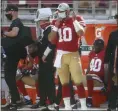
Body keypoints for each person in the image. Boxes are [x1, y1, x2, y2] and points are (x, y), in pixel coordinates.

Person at [49, 3, 87, 110]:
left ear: (67, 11)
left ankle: (84, 106)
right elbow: (51, 39)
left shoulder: (77, 19)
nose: (59, 14)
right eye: (58, 12)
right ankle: (67, 106)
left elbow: (80, 33)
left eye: (61, 12)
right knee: (64, 82)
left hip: (73, 54)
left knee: (78, 80)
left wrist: (74, 21)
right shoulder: (55, 22)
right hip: (60, 55)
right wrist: (56, 26)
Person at [1, 4, 27, 111]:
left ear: (13, 11)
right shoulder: (15, 22)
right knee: (9, 78)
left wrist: (4, 33)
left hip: (14, 54)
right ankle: (14, 101)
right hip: (13, 53)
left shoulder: (16, 22)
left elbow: (14, 33)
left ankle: (16, 101)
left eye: (8, 12)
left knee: (9, 77)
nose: (7, 14)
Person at [32, 8, 56, 110]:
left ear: (45, 20)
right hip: (43, 61)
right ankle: (42, 101)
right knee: (42, 82)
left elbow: (51, 45)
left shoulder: (51, 30)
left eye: (40, 21)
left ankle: (51, 102)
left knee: (48, 82)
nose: (39, 23)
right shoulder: (46, 31)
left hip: (48, 61)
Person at [86, 39, 107, 107]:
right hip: (92, 76)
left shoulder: (105, 53)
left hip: (100, 78)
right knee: (78, 78)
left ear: (102, 47)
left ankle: (89, 99)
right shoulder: (91, 53)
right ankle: (76, 99)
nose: (96, 47)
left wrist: (106, 83)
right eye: (95, 45)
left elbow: (107, 69)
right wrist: (86, 73)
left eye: (98, 45)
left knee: (89, 77)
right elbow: (89, 66)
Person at [104, 14, 118, 111]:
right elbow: (109, 50)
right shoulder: (113, 34)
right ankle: (112, 105)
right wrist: (106, 62)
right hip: (115, 65)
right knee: (114, 84)